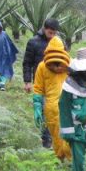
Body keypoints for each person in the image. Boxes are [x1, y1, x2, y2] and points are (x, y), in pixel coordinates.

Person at [23, 18, 60, 149]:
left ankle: (55, 139)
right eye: (50, 33)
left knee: (56, 112)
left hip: (56, 84)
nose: (52, 36)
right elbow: (27, 62)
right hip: (41, 83)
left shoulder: (58, 43)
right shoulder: (33, 42)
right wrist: (27, 81)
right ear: (44, 29)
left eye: (55, 33)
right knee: (45, 112)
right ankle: (47, 141)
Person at [33, 37, 72, 160]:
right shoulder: (42, 67)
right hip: (52, 108)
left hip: (68, 106)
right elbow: (38, 88)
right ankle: (60, 158)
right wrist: (37, 106)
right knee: (56, 135)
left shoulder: (70, 66)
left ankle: (70, 158)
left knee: (68, 135)